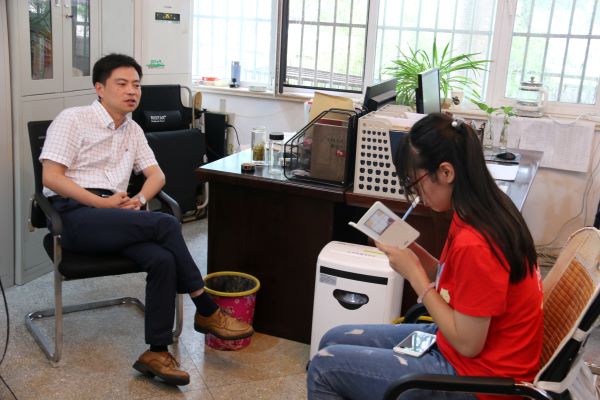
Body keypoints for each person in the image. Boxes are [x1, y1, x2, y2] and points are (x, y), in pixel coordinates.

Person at [40, 53, 254, 386]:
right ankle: (206, 308)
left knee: (163, 259)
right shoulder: (73, 119)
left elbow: (157, 175)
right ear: (99, 88)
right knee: (166, 223)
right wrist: (101, 203)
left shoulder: (133, 130)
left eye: (136, 85)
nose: (131, 91)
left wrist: (138, 200)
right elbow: (51, 177)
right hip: (74, 216)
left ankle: (156, 351)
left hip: (115, 216)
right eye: (121, 84)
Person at [307, 113, 543, 400]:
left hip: (478, 382)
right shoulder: (480, 209)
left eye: (414, 181)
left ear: (446, 172)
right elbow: (455, 280)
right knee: (332, 339)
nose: (416, 193)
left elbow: (469, 345)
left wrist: (415, 276)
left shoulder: (476, 242)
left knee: (324, 368)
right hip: (460, 350)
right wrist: (415, 254)